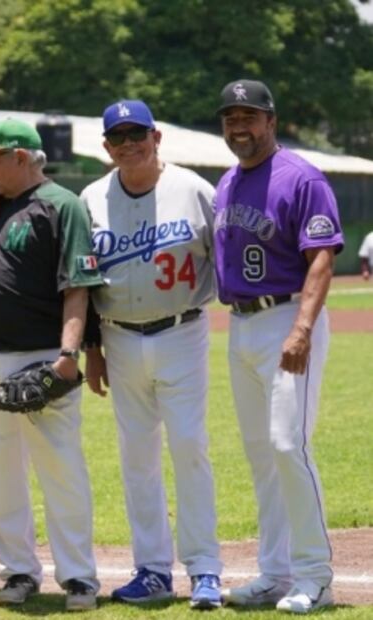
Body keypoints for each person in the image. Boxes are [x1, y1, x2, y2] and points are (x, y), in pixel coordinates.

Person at [79, 100, 223, 609]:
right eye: (118, 137)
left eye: (137, 133)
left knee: (189, 447)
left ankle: (205, 568)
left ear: (156, 136)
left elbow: (223, 259)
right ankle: (153, 570)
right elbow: (85, 281)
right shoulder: (91, 198)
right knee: (136, 456)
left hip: (183, 330)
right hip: (118, 337)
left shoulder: (195, 190)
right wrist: (92, 349)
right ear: (106, 147)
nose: (129, 144)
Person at [0, 119, 104, 611]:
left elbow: (77, 286)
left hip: (44, 357)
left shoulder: (61, 205)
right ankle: (19, 571)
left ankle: (80, 577)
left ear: (21, 157)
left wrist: (68, 355)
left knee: (60, 468)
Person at [214, 79, 343, 615]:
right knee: (262, 456)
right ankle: (274, 573)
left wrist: (302, 329)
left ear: (271, 120)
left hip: (289, 318)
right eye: (230, 118)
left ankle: (315, 576)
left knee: (289, 446)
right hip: (241, 326)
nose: (239, 126)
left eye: (249, 116)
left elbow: (321, 258)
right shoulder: (226, 183)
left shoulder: (303, 178)